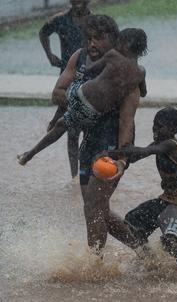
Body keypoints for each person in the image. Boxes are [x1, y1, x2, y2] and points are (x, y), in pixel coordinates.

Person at [48, 15, 142, 252]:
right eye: (89, 38)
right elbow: (57, 93)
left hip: (113, 143)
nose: (92, 44)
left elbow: (126, 121)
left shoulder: (126, 72)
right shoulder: (78, 58)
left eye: (99, 38)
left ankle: (95, 264)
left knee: (94, 205)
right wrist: (86, 103)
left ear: (114, 40)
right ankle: (144, 250)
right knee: (97, 209)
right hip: (88, 141)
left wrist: (122, 158)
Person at [17, 28, 147, 166]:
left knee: (62, 124)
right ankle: (31, 153)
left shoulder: (113, 55)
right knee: (65, 125)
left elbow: (91, 69)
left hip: (83, 96)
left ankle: (30, 153)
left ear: (125, 44)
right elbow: (143, 92)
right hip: (92, 108)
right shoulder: (141, 72)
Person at [106, 107, 177, 266]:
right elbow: (135, 156)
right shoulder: (158, 143)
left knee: (169, 240)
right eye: (154, 125)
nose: (155, 129)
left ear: (174, 129)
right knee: (132, 221)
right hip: (167, 199)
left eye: (161, 126)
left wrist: (127, 149)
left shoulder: (171, 144)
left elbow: (149, 151)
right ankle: (150, 260)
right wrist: (113, 155)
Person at [39, 0, 93, 178]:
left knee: (86, 129)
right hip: (67, 74)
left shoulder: (95, 21)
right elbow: (43, 32)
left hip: (89, 76)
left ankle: (88, 173)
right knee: (72, 132)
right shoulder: (60, 20)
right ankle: (75, 176)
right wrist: (49, 55)